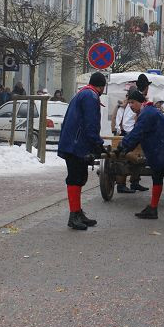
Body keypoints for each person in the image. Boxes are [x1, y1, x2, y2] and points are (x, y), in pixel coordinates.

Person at [118, 89, 164, 222]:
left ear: (140, 102)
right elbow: (139, 135)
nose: (131, 106)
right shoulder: (147, 112)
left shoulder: (147, 114)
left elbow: (137, 133)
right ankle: (153, 208)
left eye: (132, 103)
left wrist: (123, 146)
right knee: (157, 177)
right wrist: (127, 146)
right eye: (129, 103)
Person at [57, 73, 106, 231]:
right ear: (101, 86)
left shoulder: (83, 93)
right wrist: (97, 144)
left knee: (78, 178)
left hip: (73, 143)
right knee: (75, 178)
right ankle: (74, 216)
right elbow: (90, 123)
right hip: (76, 145)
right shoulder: (90, 96)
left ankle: (78, 212)